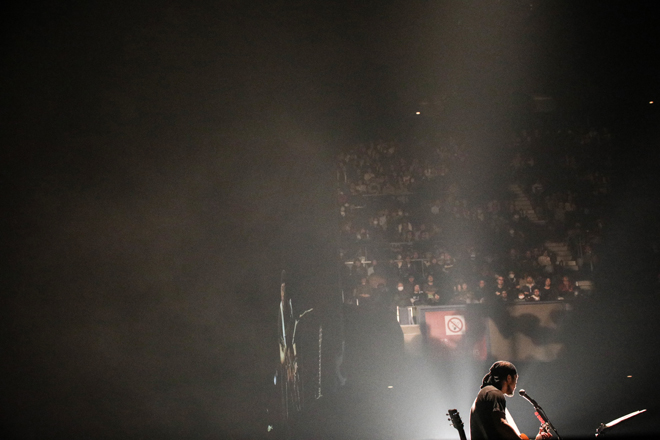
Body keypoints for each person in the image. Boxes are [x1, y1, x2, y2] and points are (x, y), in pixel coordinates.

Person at [470, 361, 551, 440]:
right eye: (515, 379)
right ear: (509, 378)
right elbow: (501, 425)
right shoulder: (494, 393)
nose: (515, 385)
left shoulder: (487, 394)